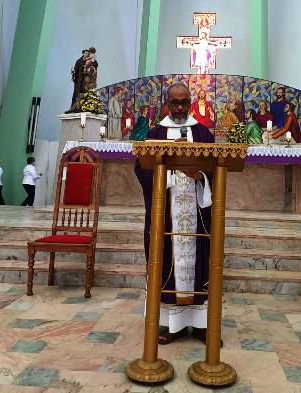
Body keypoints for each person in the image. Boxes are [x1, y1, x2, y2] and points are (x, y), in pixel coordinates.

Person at [134, 83, 217, 346]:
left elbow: (216, 168)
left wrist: (201, 176)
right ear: (167, 104)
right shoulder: (155, 133)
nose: (180, 107)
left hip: (198, 217)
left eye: (184, 102)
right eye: (174, 102)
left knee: (201, 263)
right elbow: (142, 169)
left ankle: (202, 326)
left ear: (190, 102)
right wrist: (169, 173)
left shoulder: (203, 133)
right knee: (167, 262)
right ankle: (172, 325)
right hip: (166, 215)